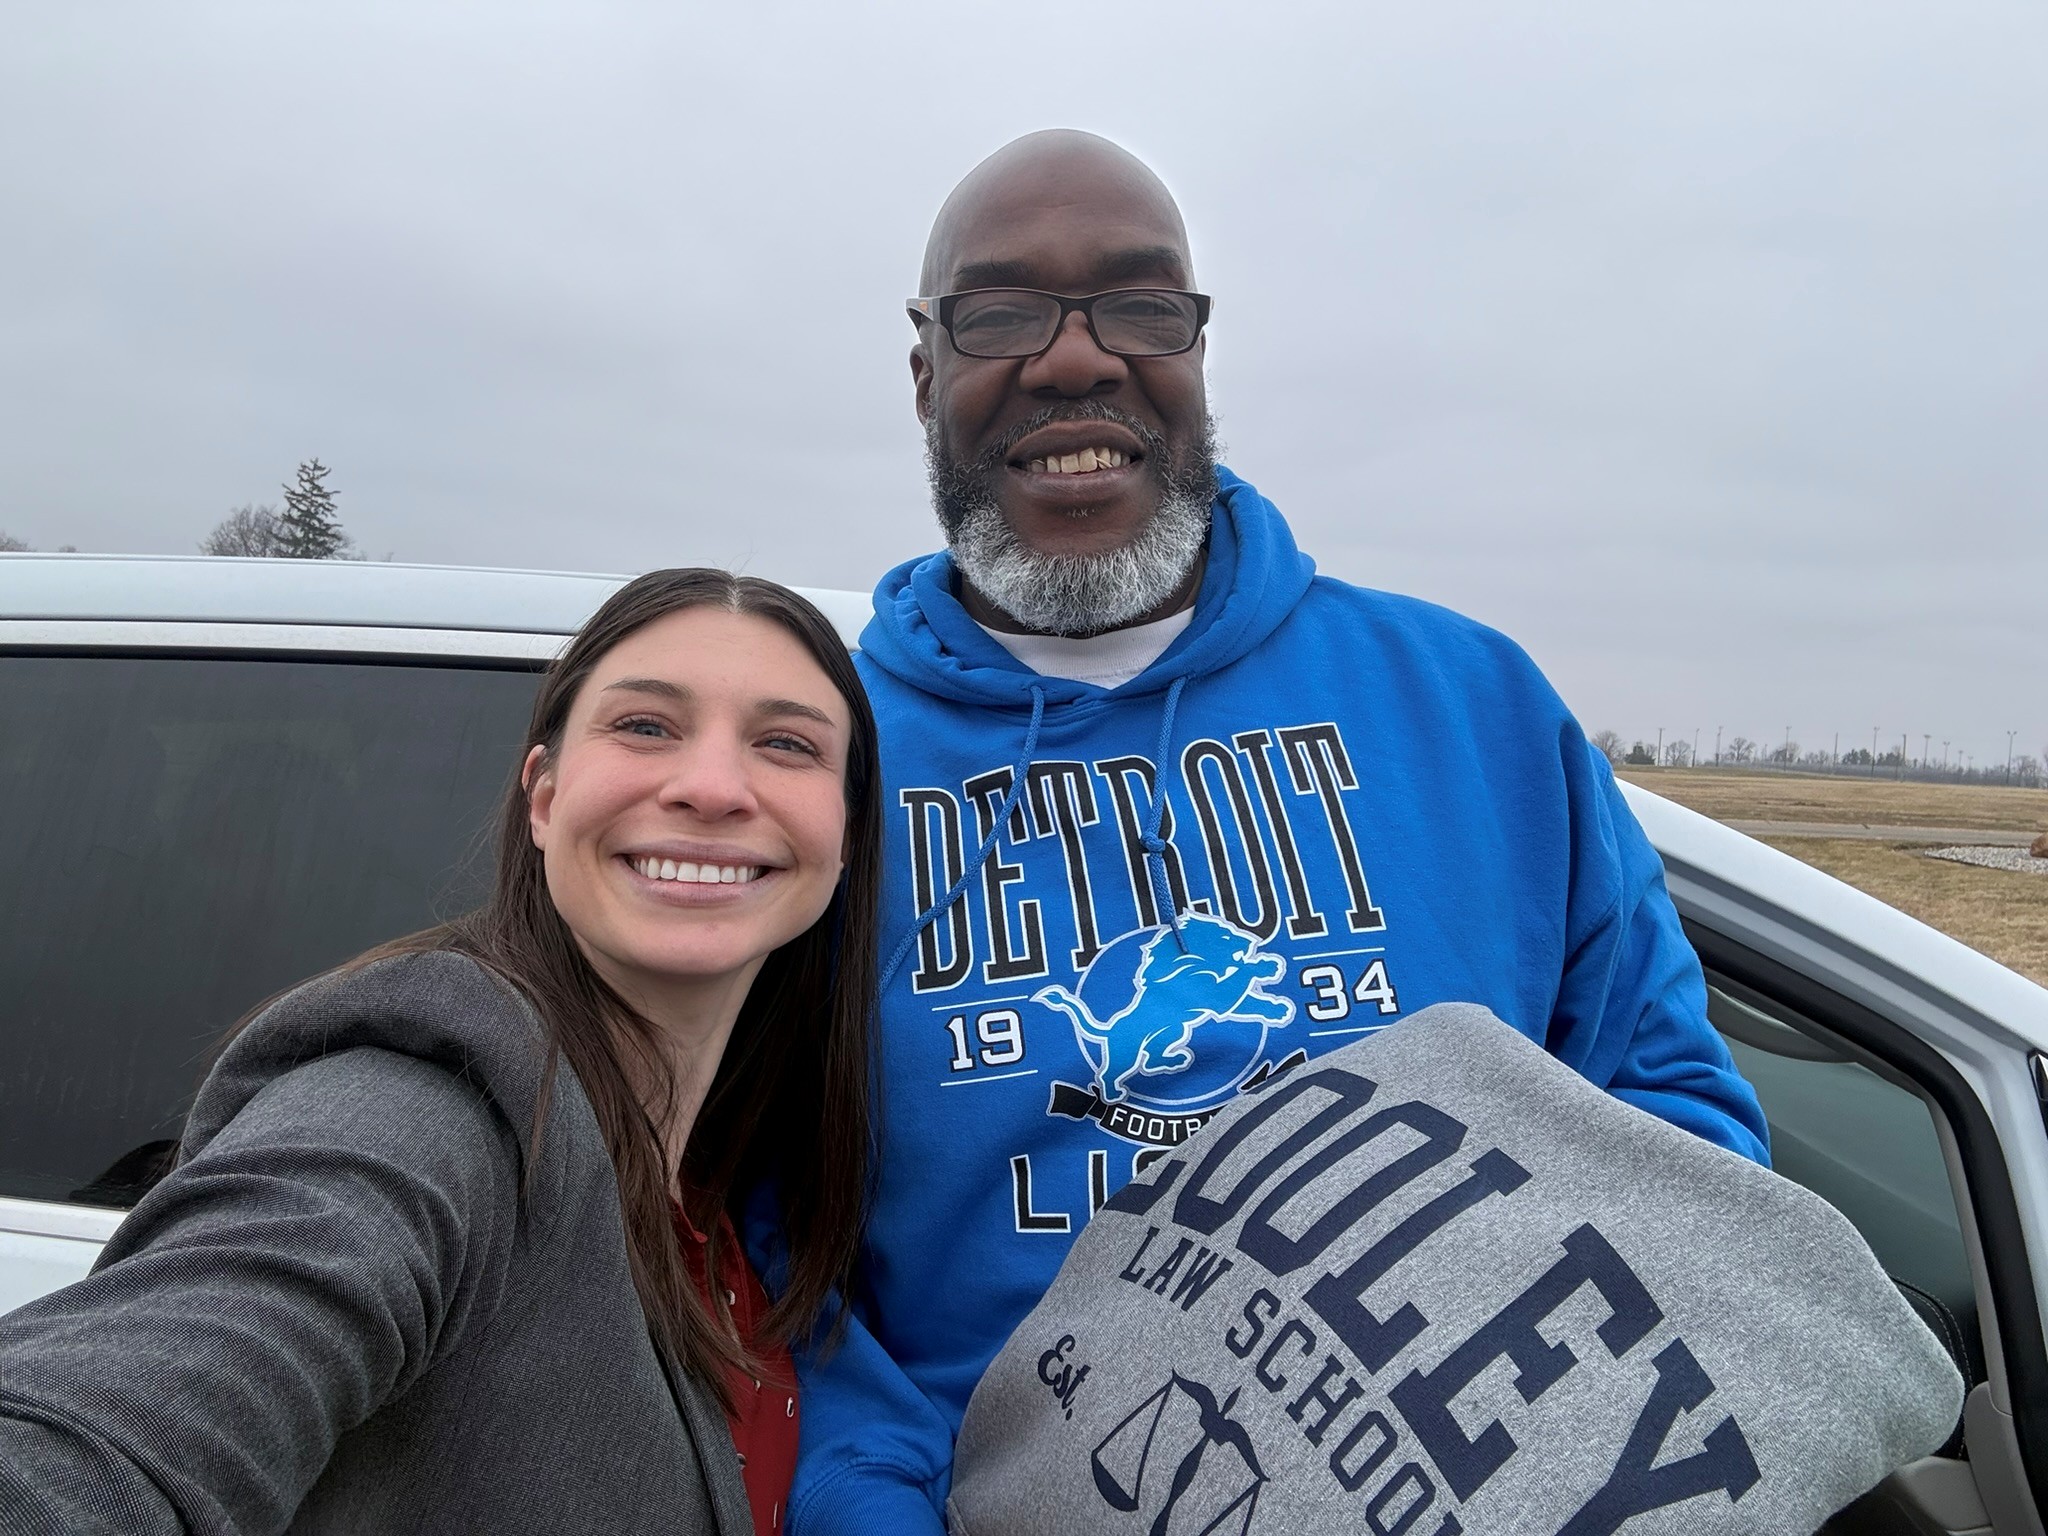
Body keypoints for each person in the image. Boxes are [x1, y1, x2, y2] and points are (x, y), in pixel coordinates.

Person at [780, 130, 1771, 1534]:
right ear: (925, 365)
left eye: (1140, 304)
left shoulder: (1471, 705)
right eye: (999, 311)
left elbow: (1678, 1134)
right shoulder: (814, 764)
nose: (1076, 361)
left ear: (1196, 347)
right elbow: (755, 1257)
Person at [0, 569, 881, 1535]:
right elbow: (97, 1437)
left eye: (787, 743)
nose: (712, 787)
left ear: (843, 836)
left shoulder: (739, 1189)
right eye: (644, 726)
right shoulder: (428, 1107)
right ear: (542, 798)